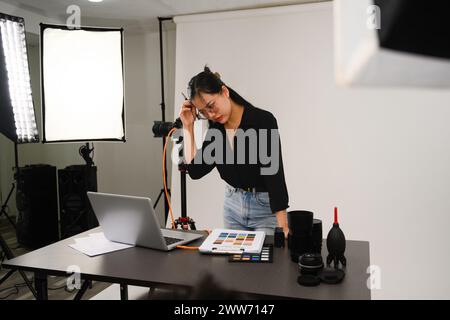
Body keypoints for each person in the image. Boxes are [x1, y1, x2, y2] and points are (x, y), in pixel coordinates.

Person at [179, 66, 289, 237]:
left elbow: (274, 176)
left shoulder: (262, 121)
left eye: (211, 105)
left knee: (267, 261)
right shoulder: (216, 133)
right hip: (233, 208)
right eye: (203, 112)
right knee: (236, 264)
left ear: (224, 92)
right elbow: (194, 170)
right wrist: (188, 126)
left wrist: (283, 227)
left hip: (265, 211)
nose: (211, 114)